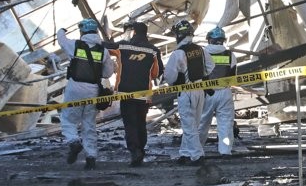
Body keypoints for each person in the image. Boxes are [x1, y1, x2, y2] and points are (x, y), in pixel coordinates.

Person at [57, 18, 116, 170]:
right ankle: (91, 157)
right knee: (89, 124)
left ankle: (74, 141)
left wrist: (62, 30)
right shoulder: (103, 51)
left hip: (74, 88)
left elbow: (61, 40)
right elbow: (108, 73)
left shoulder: (74, 46)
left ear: (82, 31)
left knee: (68, 119)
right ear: (96, 32)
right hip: (93, 91)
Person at [162, 19, 214, 165]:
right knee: (193, 124)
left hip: (186, 92)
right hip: (199, 91)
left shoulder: (178, 53)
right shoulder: (201, 49)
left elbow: (169, 76)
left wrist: (175, 82)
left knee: (189, 126)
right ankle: (185, 153)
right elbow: (210, 65)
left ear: (178, 35)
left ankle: (197, 155)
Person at [114, 21, 162, 167]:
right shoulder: (153, 50)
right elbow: (157, 73)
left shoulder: (122, 46)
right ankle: (140, 149)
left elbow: (103, 47)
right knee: (141, 122)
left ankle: (135, 150)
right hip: (144, 94)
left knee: (130, 123)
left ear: (133, 32)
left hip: (125, 93)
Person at [199, 27, 238, 156]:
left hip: (206, 93)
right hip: (225, 93)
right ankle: (225, 151)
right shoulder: (230, 54)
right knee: (226, 124)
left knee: (202, 123)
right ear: (223, 40)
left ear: (210, 39)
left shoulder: (202, 54)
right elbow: (233, 77)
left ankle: (197, 151)